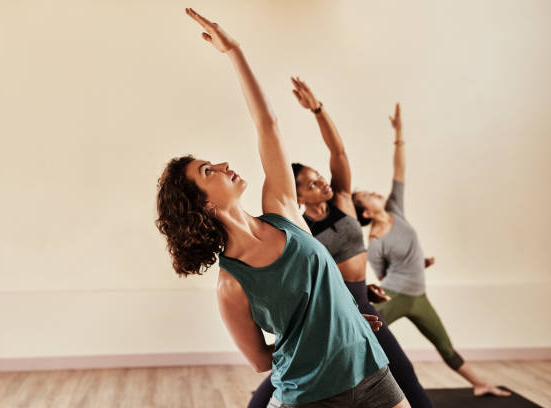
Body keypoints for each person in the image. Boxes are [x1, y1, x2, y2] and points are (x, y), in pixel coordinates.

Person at [156, 8, 409, 407]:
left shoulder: (282, 210)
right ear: (203, 203)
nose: (222, 165)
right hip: (311, 397)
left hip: (372, 371)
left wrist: (234, 51)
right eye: (208, 171)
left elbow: (268, 124)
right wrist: (318, 346)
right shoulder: (230, 284)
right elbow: (260, 360)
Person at [249, 77, 432, 408]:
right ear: (298, 194)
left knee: (404, 376)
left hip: (363, 300)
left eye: (319, 176)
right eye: (310, 183)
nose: (321, 182)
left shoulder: (344, 201)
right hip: (333, 309)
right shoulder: (298, 227)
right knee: (281, 381)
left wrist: (317, 109)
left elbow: (338, 150)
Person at [353, 103, 510, 398]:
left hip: (419, 296)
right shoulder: (374, 243)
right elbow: (384, 278)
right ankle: (344, 391)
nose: (375, 192)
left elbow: (399, 170)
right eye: (367, 196)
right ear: (365, 213)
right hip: (397, 296)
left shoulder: (395, 210)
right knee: (363, 337)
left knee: (444, 344)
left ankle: (480, 383)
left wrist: (398, 133)